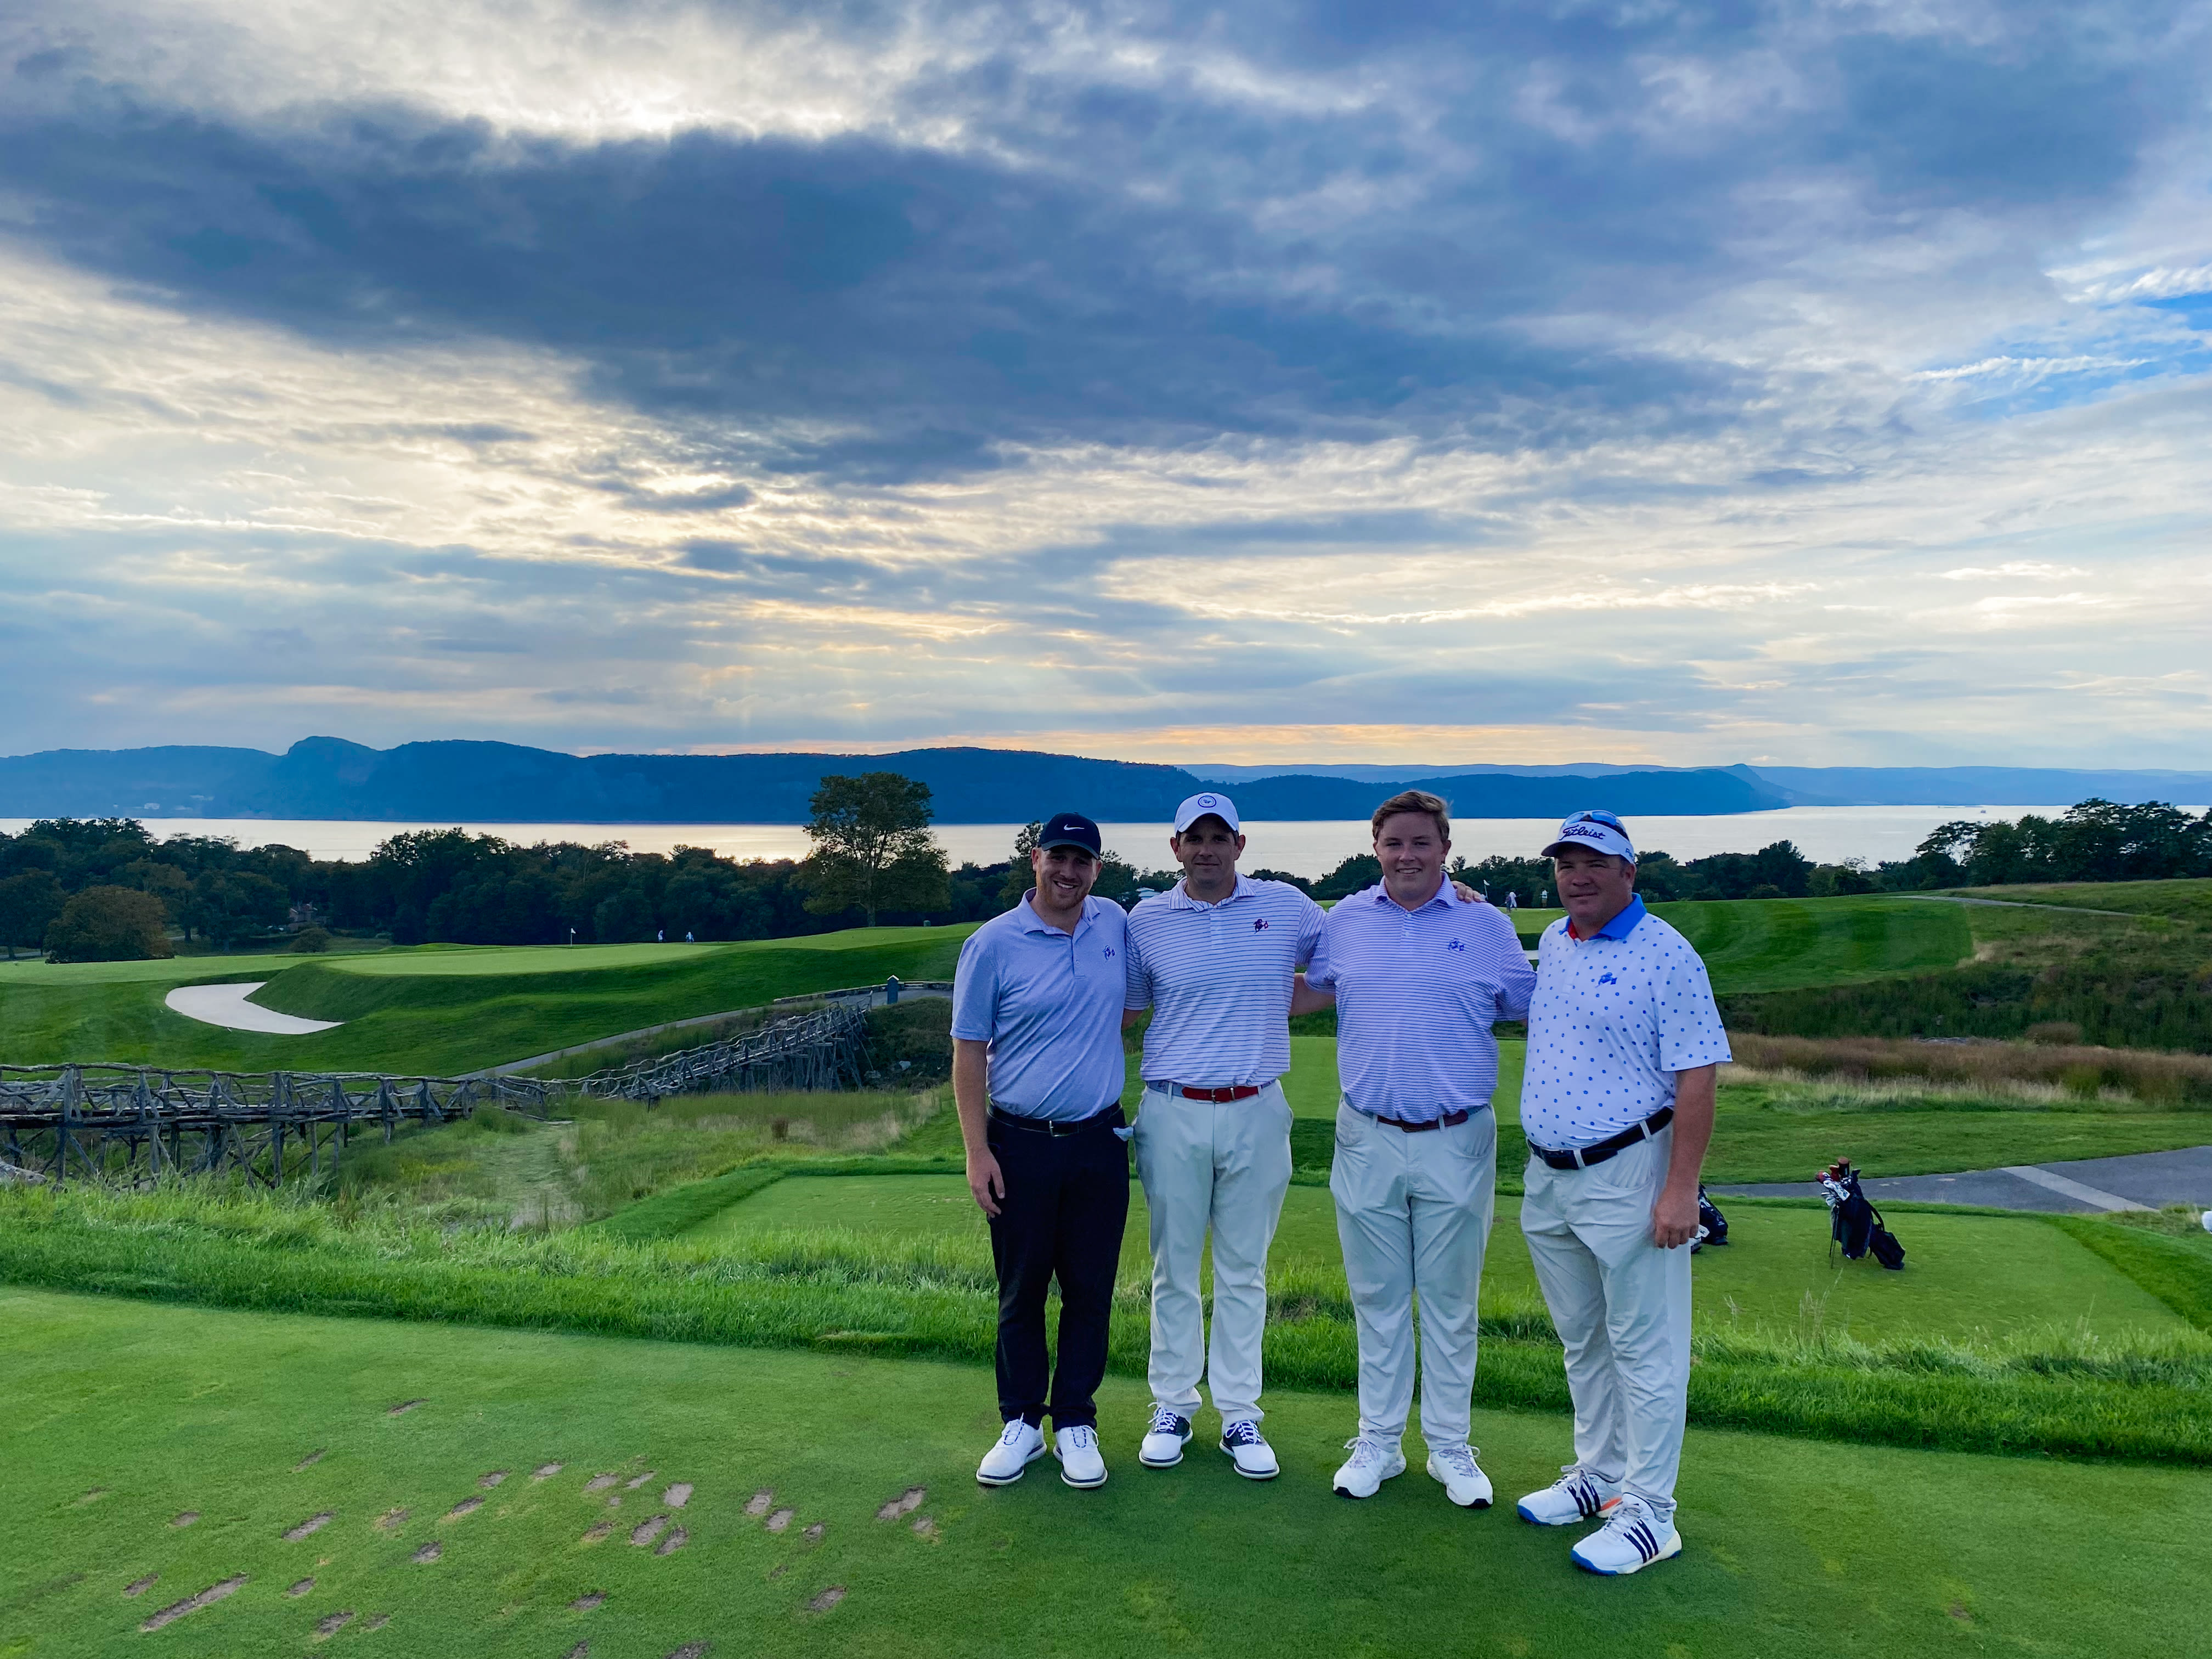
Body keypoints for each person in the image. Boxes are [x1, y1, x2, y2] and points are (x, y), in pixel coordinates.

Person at [1295, 790, 1534, 1506]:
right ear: (1376, 849)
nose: (1407, 855)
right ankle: (1378, 1442)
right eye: (1394, 843)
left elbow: (1530, 1007)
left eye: (1421, 843)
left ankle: (1450, 1447)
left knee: (1451, 1303)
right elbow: (1309, 989)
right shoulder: (1345, 922)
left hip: (1456, 1138)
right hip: (1366, 1135)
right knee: (1377, 1300)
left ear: (1445, 850)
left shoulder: (1486, 924)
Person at [1513, 810, 1729, 1576]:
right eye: (1566, 863)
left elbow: (1698, 1077)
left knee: (1646, 1349)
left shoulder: (1667, 954)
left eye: (1595, 863)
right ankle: (1600, 1475)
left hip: (1632, 1173)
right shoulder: (1555, 941)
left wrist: (1682, 1190)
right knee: (1584, 1339)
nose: (1577, 876)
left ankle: (1651, 1512)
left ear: (1629, 872)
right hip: (1550, 1177)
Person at [1124, 791, 1325, 1481]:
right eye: (1195, 838)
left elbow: (1353, 953)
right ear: (1175, 847)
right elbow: (1124, 1008)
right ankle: (1173, 1406)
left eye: (1219, 838)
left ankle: (1240, 1412)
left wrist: (1456, 892)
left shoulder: (1288, 906)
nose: (1206, 850)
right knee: (1174, 1267)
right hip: (1172, 1107)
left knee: (1244, 1270)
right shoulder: (1146, 920)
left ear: (1240, 844)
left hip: (1257, 1106)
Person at [951, 811, 1135, 1491]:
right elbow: (969, 1052)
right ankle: (1023, 1422)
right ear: (1035, 859)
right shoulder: (992, 944)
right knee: (1021, 1291)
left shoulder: (1114, 923)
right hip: (1020, 1144)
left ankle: (1076, 1421)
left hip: (1100, 1142)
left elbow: (1135, 1000)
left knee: (1090, 1291)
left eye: (1082, 861)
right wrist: (977, 1151)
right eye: (1058, 858)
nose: (1069, 871)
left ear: (1097, 869)